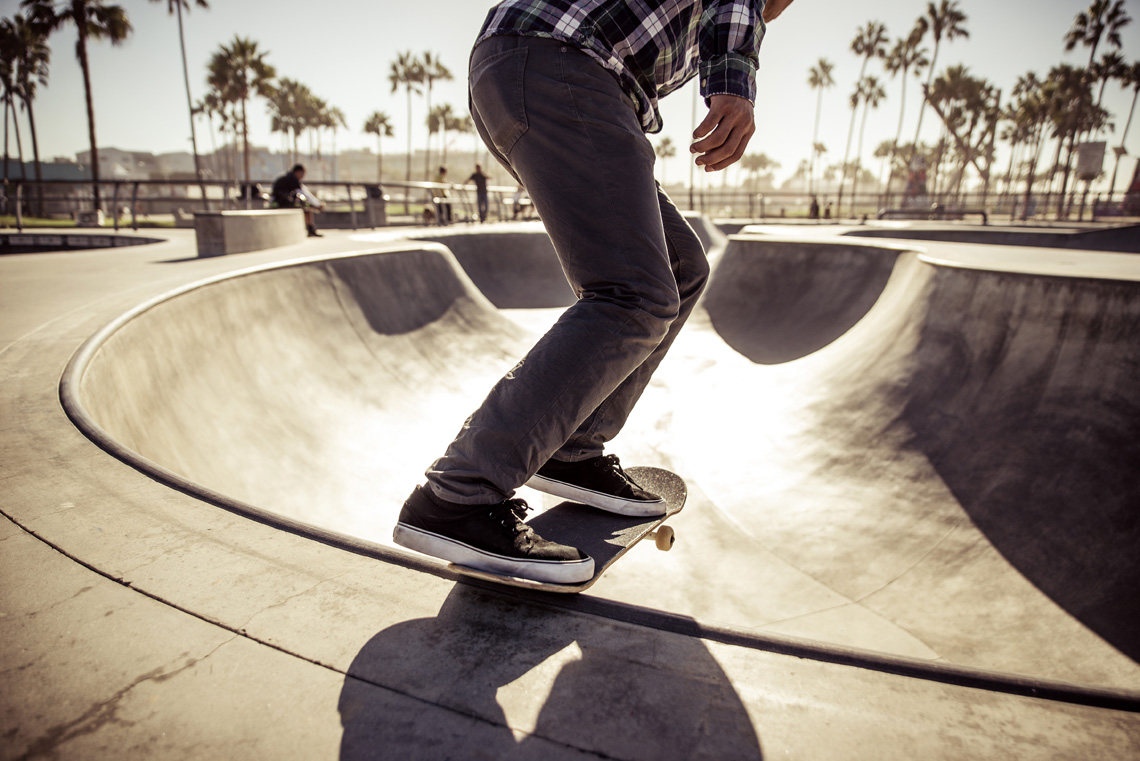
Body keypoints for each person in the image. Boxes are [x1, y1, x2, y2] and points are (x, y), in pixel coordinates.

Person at [394, 0, 796, 584]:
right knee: (633, 292)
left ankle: (571, 447)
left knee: (680, 268)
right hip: (560, 60)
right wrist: (734, 84)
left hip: (534, 67)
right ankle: (460, 492)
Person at [271, 163, 322, 237]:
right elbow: (303, 193)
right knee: (307, 208)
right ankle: (310, 229)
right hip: (280, 202)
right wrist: (318, 204)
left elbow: (303, 191)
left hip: (279, 200)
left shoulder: (288, 176)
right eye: (303, 174)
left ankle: (310, 228)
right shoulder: (292, 179)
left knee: (307, 207)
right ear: (298, 172)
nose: (303, 176)